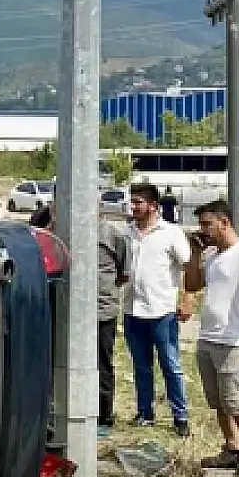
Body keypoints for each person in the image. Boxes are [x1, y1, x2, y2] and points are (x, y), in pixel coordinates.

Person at [179, 199, 239, 473]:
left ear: (224, 222)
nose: (203, 230)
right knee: (217, 401)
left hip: (234, 340)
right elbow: (192, 283)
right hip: (209, 337)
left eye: (207, 224)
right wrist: (194, 252)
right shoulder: (213, 256)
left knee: (234, 399)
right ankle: (232, 447)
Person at [122, 182, 193, 436]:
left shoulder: (171, 233)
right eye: (132, 201)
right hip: (133, 310)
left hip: (161, 311)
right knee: (141, 366)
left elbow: (188, 266)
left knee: (170, 364)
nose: (133, 206)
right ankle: (145, 413)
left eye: (139, 202)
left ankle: (180, 417)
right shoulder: (127, 233)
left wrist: (187, 299)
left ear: (153, 205)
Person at [96, 212, 134, 437]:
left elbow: (123, 275)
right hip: (65, 312)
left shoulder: (113, 235)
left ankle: (104, 416)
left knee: (102, 364)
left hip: (102, 311)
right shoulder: (60, 231)